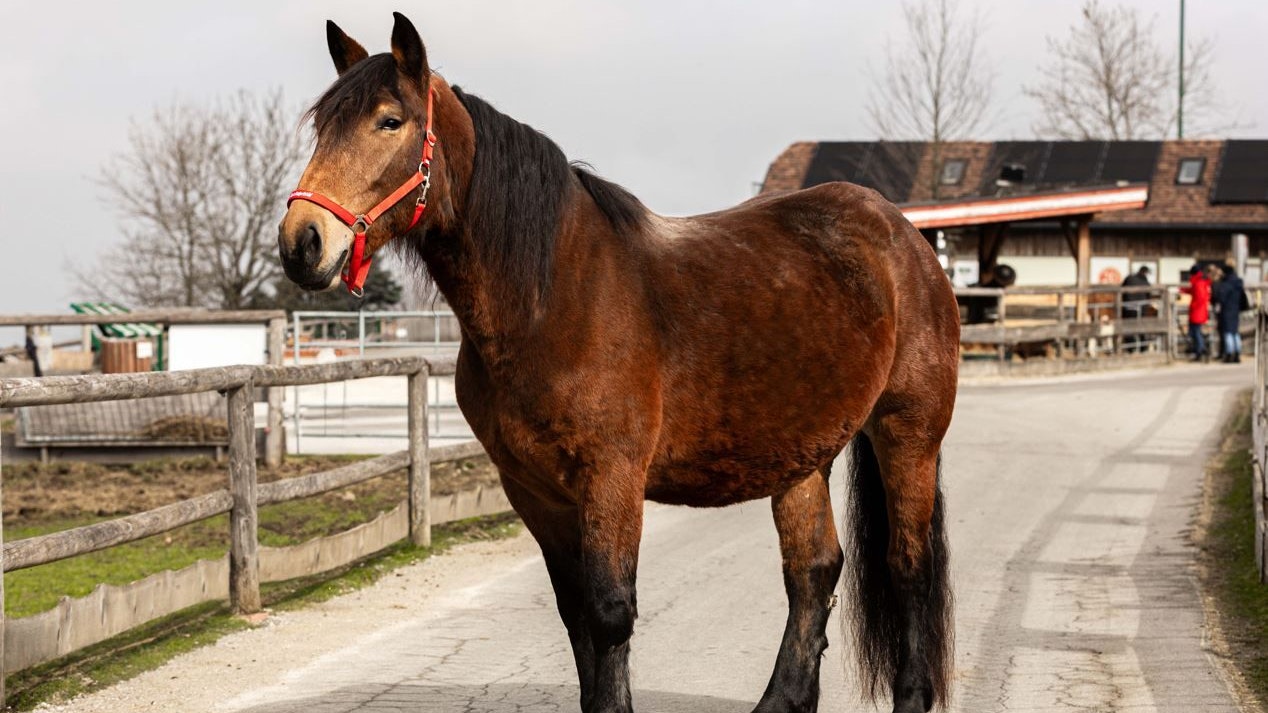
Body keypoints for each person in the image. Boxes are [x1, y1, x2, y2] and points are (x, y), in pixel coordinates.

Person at [1212, 264, 1247, 363]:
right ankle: (1237, 354)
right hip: (1236, 309)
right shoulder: (1238, 282)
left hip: (1227, 310)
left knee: (1228, 333)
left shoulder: (1226, 284)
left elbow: (1221, 298)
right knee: (1235, 332)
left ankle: (1229, 354)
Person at [1179, 264, 1212, 362]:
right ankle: (1199, 351)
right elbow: (1191, 290)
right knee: (1195, 332)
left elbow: (1200, 297)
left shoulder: (1198, 282)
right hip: (1199, 311)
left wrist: (1193, 306)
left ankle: (1201, 351)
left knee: (1196, 333)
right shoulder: (1199, 281)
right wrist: (1182, 290)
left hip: (1197, 311)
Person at [1120, 265, 1152, 352]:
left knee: (1128, 328)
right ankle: (1143, 347)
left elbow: (1121, 289)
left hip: (1128, 307)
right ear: (1145, 273)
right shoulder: (1146, 282)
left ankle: (1130, 348)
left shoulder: (1129, 278)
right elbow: (1149, 295)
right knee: (1141, 328)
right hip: (1142, 309)